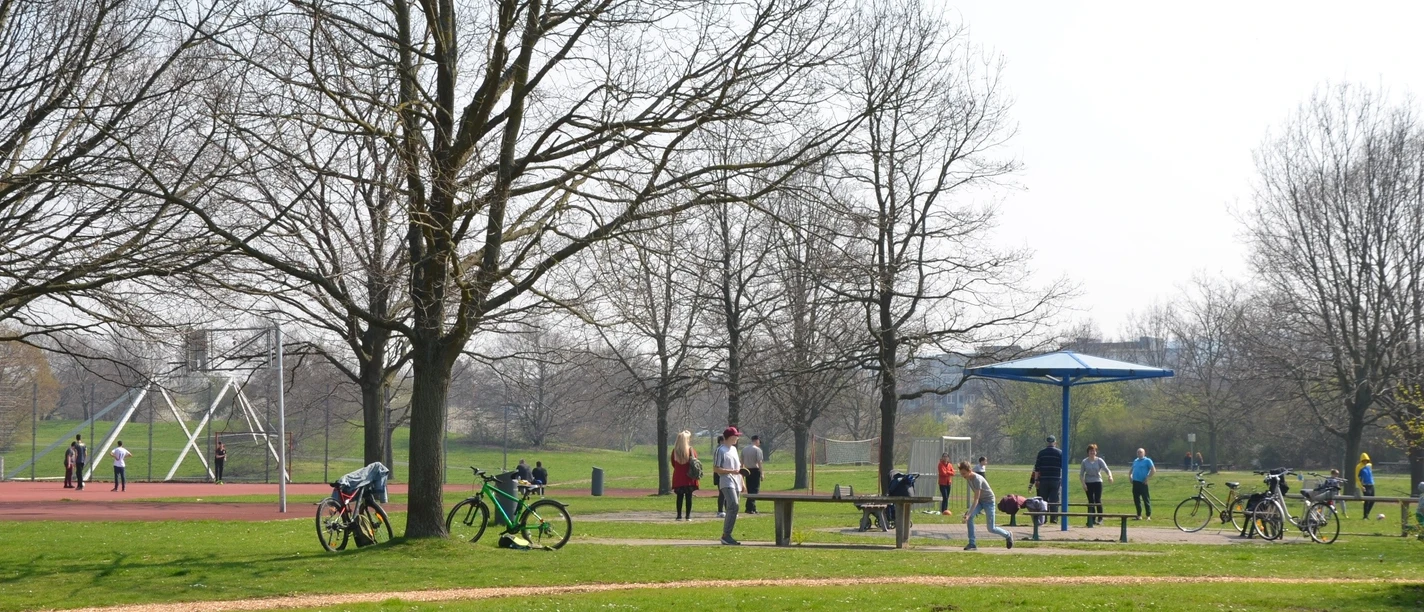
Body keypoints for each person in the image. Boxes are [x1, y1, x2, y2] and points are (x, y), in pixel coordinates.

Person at [960, 460, 1012, 551]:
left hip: (989, 502)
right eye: (961, 474)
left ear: (969, 470)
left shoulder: (977, 479)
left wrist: (968, 513)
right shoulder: (968, 478)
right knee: (970, 517)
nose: (963, 476)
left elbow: (976, 499)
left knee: (991, 528)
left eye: (964, 473)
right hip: (980, 501)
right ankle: (972, 544)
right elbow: (977, 500)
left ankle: (1008, 535)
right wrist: (969, 514)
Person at [712, 427, 745, 545]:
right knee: (733, 505)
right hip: (726, 481)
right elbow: (716, 468)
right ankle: (726, 535)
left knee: (735, 508)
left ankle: (727, 535)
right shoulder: (720, 450)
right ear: (730, 437)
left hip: (736, 481)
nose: (737, 438)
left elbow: (738, 468)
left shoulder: (734, 450)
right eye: (736, 436)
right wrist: (731, 471)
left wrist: (742, 481)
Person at [1030, 436, 1063, 524]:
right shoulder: (1060, 453)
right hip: (1055, 479)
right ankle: (1054, 518)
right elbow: (1063, 468)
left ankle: (1043, 518)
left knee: (1043, 500)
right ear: (1055, 443)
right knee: (1054, 499)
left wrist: (1036, 480)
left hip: (1043, 480)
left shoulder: (1041, 453)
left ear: (1047, 443)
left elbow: (1037, 468)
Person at [1080, 443, 1113, 527]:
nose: (1092, 452)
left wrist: (1110, 476)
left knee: (1097, 499)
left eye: (1094, 451)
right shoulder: (1084, 461)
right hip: (1088, 482)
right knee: (1091, 501)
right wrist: (1083, 484)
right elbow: (1081, 474)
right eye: (1091, 451)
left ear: (1096, 452)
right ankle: (1091, 519)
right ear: (1088, 452)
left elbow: (1107, 469)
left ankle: (1100, 518)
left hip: (1097, 481)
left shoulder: (1099, 460)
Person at [671, 430, 700, 520]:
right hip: (689, 477)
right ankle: (688, 516)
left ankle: (679, 515)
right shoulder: (691, 450)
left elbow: (673, 463)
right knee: (689, 497)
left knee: (679, 497)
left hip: (678, 477)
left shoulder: (675, 451)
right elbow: (695, 462)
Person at [1130, 447, 1155, 520]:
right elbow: (1131, 471)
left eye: (1140, 452)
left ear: (1144, 453)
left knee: (1145, 499)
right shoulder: (1135, 461)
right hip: (1135, 482)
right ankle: (1139, 515)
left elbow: (1153, 470)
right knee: (1136, 499)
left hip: (1143, 483)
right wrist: (1130, 477)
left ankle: (1148, 515)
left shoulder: (1147, 460)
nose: (1139, 453)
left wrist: (1147, 478)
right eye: (1138, 452)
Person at [743, 435, 764, 514]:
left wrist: (742, 472)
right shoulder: (757, 450)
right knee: (755, 490)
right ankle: (750, 508)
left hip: (747, 470)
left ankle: (752, 507)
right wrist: (762, 473)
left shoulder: (744, 449)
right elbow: (759, 462)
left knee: (749, 489)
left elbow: (742, 462)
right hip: (755, 470)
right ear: (757, 440)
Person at [1357, 453, 1376, 517]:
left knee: (1373, 500)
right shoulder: (1359, 467)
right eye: (1364, 460)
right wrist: (1361, 487)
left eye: (1366, 460)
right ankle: (1365, 516)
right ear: (1361, 460)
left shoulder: (1369, 465)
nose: (1365, 461)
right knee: (1367, 500)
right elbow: (1357, 478)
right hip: (1365, 485)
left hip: (1371, 485)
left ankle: (1367, 513)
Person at [713, 435, 725, 517]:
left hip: (722, 473)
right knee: (722, 493)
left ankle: (725, 509)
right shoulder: (719, 450)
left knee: (724, 493)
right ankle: (720, 510)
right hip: (719, 473)